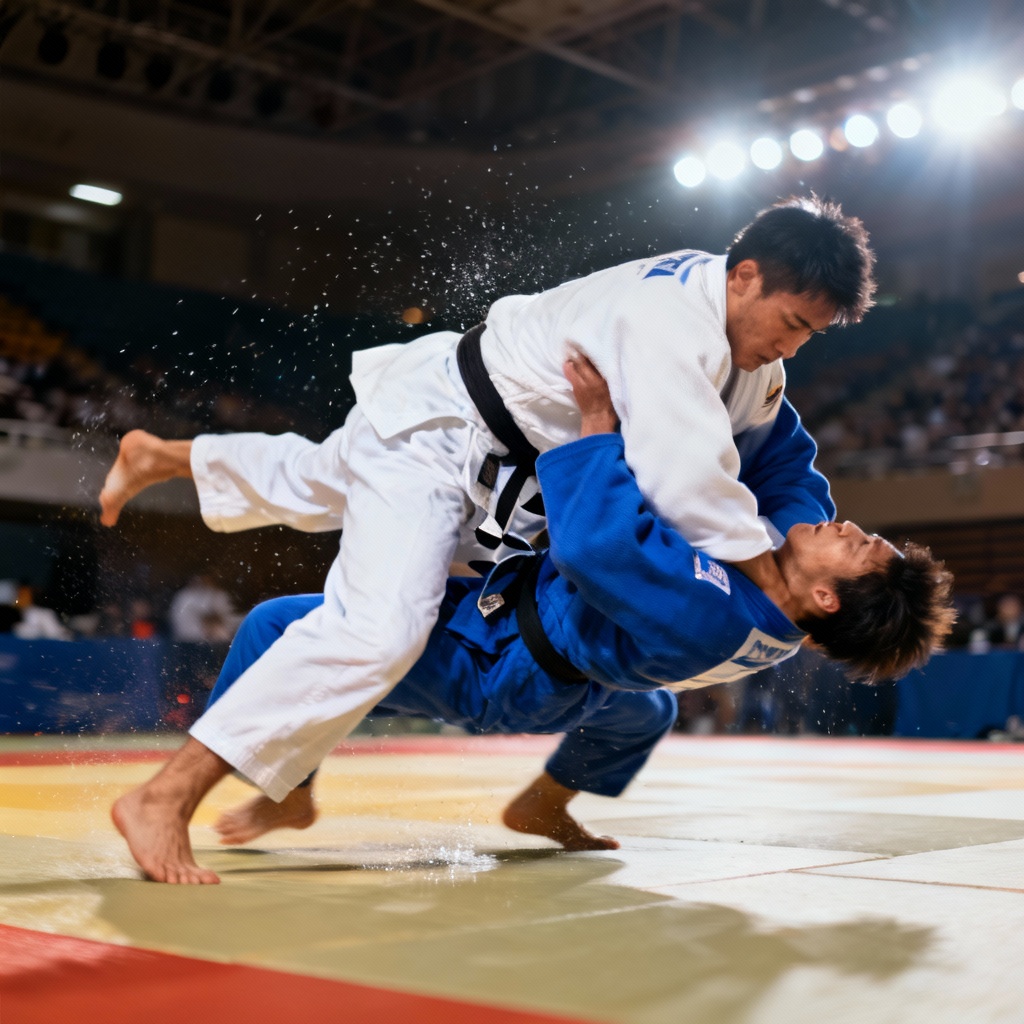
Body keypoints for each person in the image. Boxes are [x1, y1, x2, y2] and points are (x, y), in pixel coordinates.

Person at [100, 195, 875, 812]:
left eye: (813, 334)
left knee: (319, 483)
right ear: (744, 276)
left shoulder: (746, 353)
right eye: (794, 322)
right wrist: (768, 569)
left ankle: (166, 454)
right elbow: (686, 485)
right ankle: (165, 799)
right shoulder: (670, 322)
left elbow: (775, 459)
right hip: (444, 426)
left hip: (500, 460)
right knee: (381, 629)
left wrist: (776, 550)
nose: (795, 346)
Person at [111, 357, 954, 884]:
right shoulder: (777, 574)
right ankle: (543, 808)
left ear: (827, 598)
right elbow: (791, 469)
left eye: (862, 547)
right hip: (558, 647)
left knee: (277, 629)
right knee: (645, 706)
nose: (849, 525)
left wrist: (595, 428)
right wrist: (756, 371)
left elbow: (592, 547)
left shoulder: (717, 611)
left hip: (508, 669)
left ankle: (279, 794)